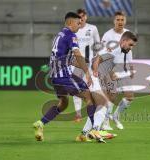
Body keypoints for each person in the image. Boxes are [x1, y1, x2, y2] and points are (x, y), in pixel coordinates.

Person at [33, 12, 104, 142]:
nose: (80, 25)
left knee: (63, 103)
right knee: (90, 97)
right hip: (63, 75)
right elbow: (77, 54)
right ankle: (95, 130)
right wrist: (87, 72)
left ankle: (40, 123)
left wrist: (82, 63)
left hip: (55, 76)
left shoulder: (60, 35)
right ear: (70, 22)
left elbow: (68, 58)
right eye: (78, 22)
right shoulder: (71, 35)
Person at [101, 11, 134, 130]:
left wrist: (131, 67)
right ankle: (105, 123)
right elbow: (103, 54)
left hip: (123, 69)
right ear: (114, 21)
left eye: (122, 20)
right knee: (111, 96)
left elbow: (129, 51)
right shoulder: (107, 35)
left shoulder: (128, 33)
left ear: (125, 21)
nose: (120, 22)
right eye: (118, 20)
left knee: (129, 97)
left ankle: (116, 116)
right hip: (110, 68)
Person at [72, 8, 100, 122]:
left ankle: (97, 114)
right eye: (79, 16)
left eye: (83, 16)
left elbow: (98, 46)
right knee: (76, 89)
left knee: (93, 89)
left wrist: (96, 63)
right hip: (77, 64)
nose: (81, 18)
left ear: (86, 17)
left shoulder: (92, 28)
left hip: (89, 64)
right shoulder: (73, 30)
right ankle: (78, 113)